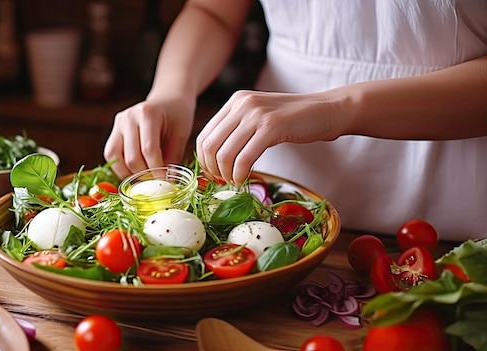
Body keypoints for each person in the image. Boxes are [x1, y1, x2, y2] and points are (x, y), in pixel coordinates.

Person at [103, 0, 487, 241]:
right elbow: (213, 10)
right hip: (283, 189)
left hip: (454, 198)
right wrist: (172, 91)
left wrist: (336, 106)